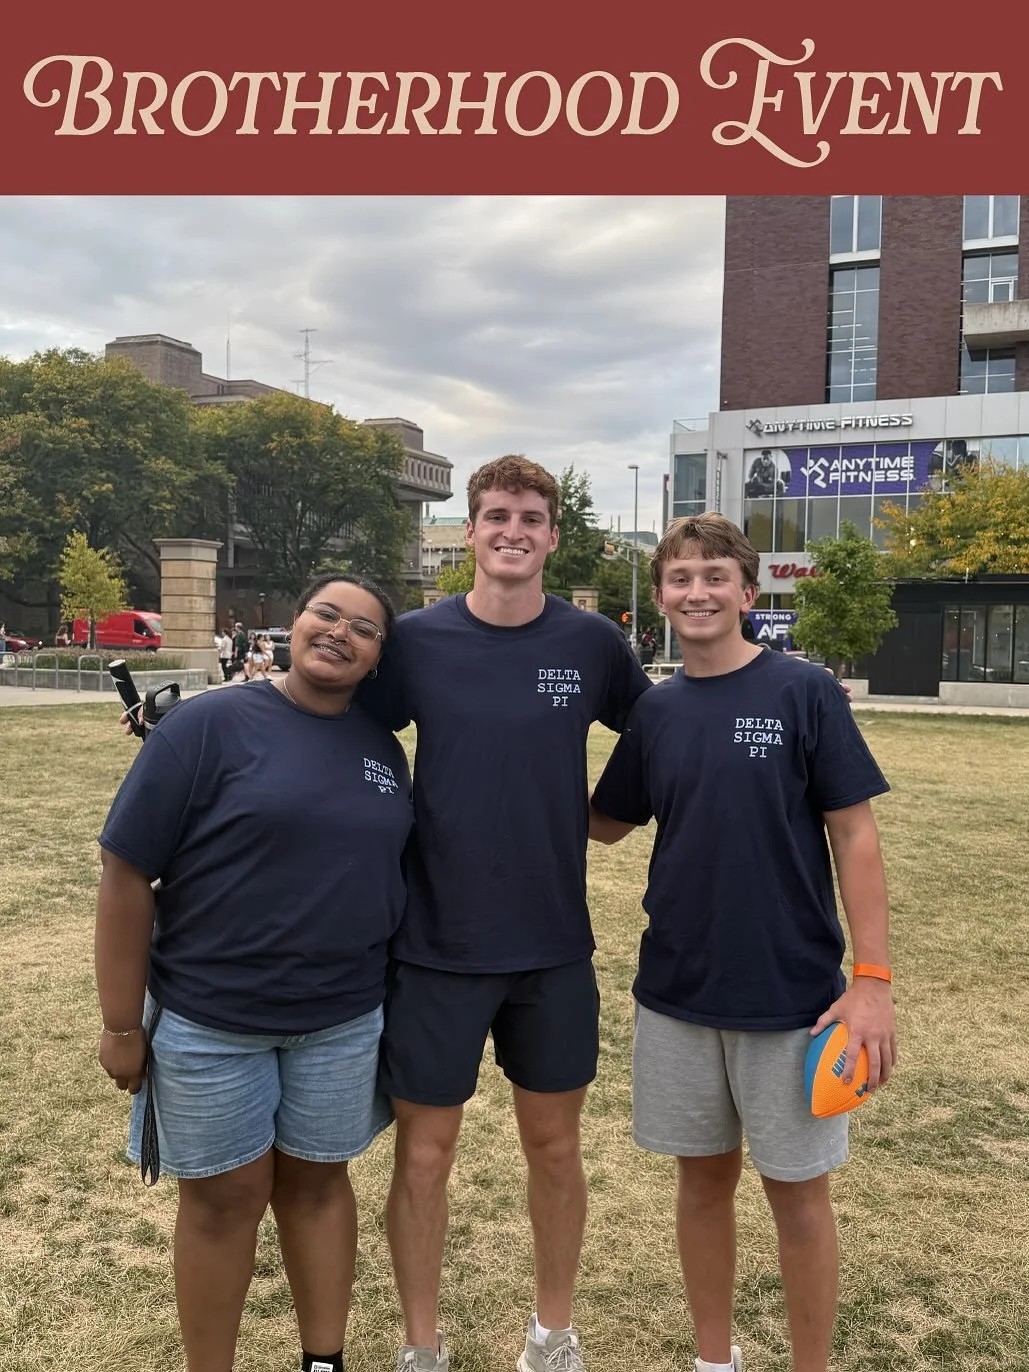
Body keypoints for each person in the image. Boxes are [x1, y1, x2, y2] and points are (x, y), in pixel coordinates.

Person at [359, 455, 653, 1372]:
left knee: (554, 1148)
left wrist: (604, 817)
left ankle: (550, 1335)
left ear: (552, 534)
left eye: (530, 516)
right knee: (423, 1157)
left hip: (552, 948)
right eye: (495, 516)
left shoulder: (593, 643)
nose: (512, 531)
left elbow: (659, 734)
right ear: (473, 532)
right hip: (436, 943)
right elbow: (339, 727)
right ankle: (420, 1346)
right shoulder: (416, 641)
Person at [587, 514, 896, 1372]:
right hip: (677, 992)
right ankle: (711, 1360)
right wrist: (499, 769)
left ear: (747, 592)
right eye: (680, 578)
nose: (697, 591)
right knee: (700, 1184)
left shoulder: (801, 690)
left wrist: (870, 980)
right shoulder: (655, 710)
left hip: (791, 993)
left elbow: (855, 834)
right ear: (658, 599)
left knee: (797, 1195)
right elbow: (605, 825)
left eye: (714, 576)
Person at [96, 573, 412, 1372]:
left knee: (316, 1188)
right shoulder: (206, 726)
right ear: (290, 625)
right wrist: (120, 1024)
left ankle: (323, 1361)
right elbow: (126, 872)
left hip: (340, 1020)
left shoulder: (381, 747)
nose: (340, 632)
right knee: (222, 1203)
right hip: (211, 1022)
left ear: (378, 660)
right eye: (325, 614)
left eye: (364, 629)